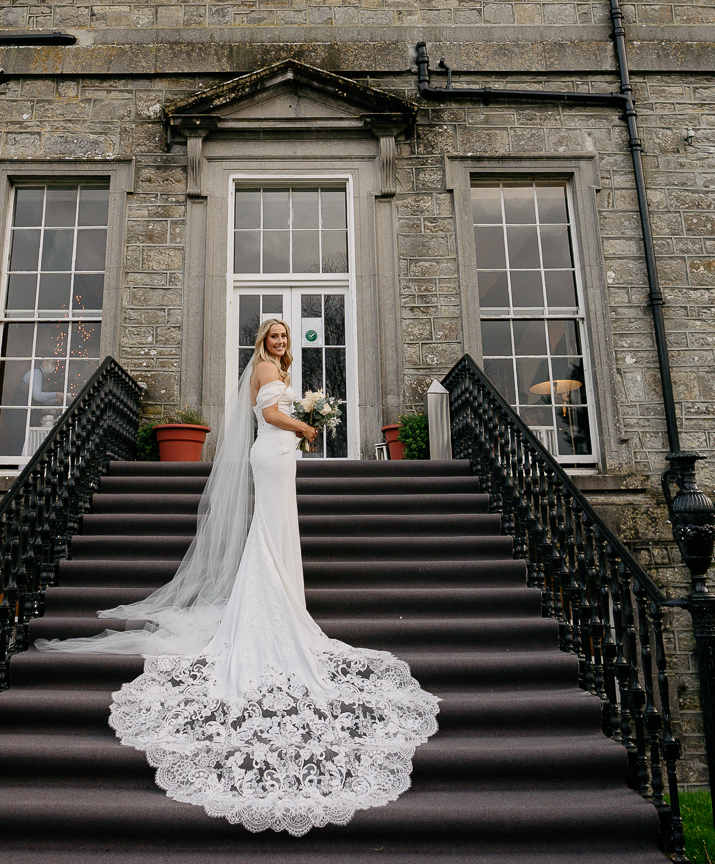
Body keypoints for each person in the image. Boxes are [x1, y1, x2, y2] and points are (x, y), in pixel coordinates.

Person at [36, 318, 439, 835]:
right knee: (271, 531)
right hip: (272, 455)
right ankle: (274, 604)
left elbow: (276, 413)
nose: (278, 342)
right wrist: (305, 425)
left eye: (284, 336)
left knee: (275, 531)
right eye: (272, 336)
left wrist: (301, 426)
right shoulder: (267, 370)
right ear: (262, 343)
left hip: (279, 454)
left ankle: (282, 596)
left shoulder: (277, 367)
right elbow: (270, 414)